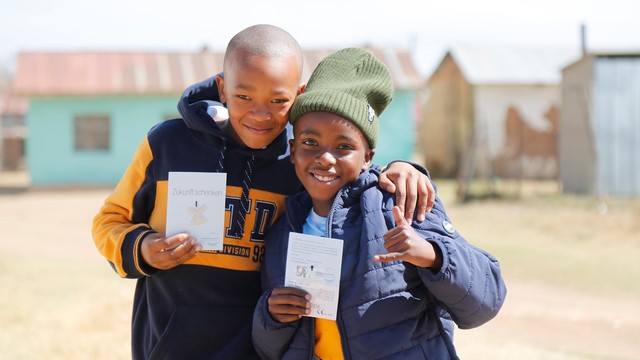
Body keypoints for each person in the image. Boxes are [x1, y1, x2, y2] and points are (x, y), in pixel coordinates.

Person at [92, 25, 435, 360]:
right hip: (170, 344)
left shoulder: (300, 163)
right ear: (222, 89)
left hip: (264, 344)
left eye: (278, 100)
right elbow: (110, 221)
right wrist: (143, 249)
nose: (260, 113)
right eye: (244, 96)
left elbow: (351, 172)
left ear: (298, 95)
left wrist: (402, 168)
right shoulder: (168, 144)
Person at [252, 47, 507, 360]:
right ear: (293, 150)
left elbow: (486, 301)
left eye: (344, 146)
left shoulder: (399, 203)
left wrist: (432, 256)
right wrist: (271, 316)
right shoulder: (282, 231)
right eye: (310, 143)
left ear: (368, 157)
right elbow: (270, 350)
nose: (325, 158)